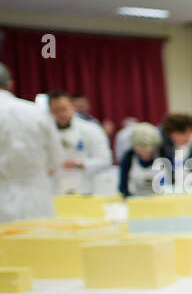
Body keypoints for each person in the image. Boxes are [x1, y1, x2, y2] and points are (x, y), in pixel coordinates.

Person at [0, 63, 62, 221]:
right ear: (10, 84)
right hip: (36, 198)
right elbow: (56, 158)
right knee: (36, 244)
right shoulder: (36, 112)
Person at [48, 90, 112, 194]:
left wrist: (80, 164)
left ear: (72, 107)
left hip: (85, 190)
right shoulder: (45, 132)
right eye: (56, 110)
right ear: (50, 111)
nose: (61, 114)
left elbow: (105, 160)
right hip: (55, 191)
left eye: (64, 109)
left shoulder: (91, 129)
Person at [118, 123, 163, 197]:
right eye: (141, 152)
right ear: (134, 148)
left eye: (148, 152)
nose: (145, 155)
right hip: (136, 200)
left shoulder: (164, 155)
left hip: (163, 201)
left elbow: (173, 182)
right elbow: (123, 188)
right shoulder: (128, 158)